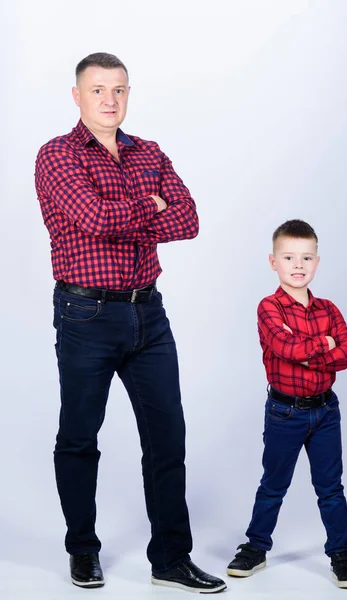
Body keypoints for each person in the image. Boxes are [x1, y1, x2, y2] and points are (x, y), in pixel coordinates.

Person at [35, 52, 226, 594]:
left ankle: (170, 559)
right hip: (85, 313)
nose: (109, 100)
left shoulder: (149, 151)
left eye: (118, 90)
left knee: (168, 437)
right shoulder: (57, 155)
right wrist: (150, 204)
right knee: (79, 436)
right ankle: (82, 551)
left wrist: (128, 209)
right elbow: (92, 218)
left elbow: (187, 220)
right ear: (77, 95)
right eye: (98, 90)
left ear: (128, 93)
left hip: (149, 312)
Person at [226, 219, 347, 589]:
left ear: (316, 262)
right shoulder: (269, 308)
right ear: (274, 262)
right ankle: (255, 548)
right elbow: (286, 349)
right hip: (285, 412)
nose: (298, 265)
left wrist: (307, 350)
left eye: (306, 258)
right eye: (289, 257)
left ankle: (342, 555)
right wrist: (324, 345)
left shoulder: (329, 309)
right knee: (273, 485)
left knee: (331, 488)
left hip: (325, 412)